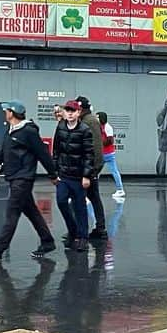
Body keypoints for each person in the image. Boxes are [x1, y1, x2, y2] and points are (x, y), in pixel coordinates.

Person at [0, 102, 57, 260]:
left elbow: (42, 153)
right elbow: (2, 153)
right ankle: (48, 241)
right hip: (14, 177)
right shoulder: (10, 131)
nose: (5, 112)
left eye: (7, 110)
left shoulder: (28, 132)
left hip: (23, 177)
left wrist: (52, 174)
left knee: (12, 212)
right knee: (31, 212)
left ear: (12, 113)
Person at [53, 100, 95, 250]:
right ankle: (73, 230)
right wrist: (55, 171)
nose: (70, 113)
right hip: (63, 175)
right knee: (61, 201)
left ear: (78, 113)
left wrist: (86, 175)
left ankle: (83, 237)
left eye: (73, 111)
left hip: (78, 176)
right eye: (67, 110)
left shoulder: (85, 130)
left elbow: (89, 154)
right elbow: (56, 150)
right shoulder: (61, 127)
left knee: (80, 207)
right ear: (64, 112)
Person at [74, 96, 107, 239]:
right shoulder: (89, 120)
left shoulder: (89, 122)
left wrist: (91, 169)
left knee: (83, 197)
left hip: (89, 167)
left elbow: (94, 147)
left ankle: (87, 229)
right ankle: (99, 228)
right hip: (91, 166)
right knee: (93, 197)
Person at [96, 111, 125, 199]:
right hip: (102, 153)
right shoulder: (100, 127)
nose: (96, 119)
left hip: (107, 153)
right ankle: (93, 190)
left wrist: (99, 142)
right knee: (95, 173)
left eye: (97, 117)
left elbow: (110, 140)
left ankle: (120, 190)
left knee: (113, 171)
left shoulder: (107, 127)